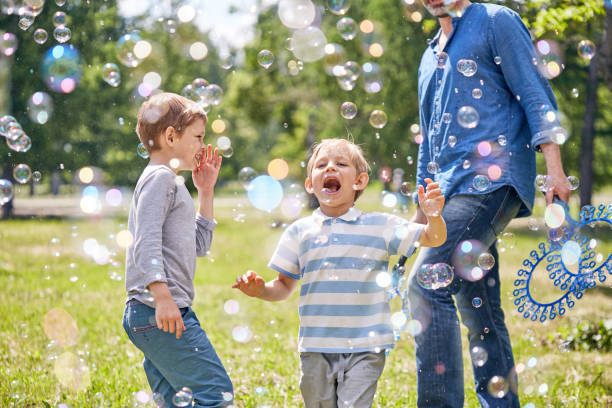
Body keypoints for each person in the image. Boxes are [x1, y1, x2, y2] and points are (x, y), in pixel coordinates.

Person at [410, 1, 570, 407]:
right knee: (479, 309)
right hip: (448, 193)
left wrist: (555, 169)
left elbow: (535, 94)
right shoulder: (429, 56)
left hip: (491, 181)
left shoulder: (496, 21)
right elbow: (428, 140)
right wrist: (419, 215)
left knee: (427, 288)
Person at [233, 138, 447, 408]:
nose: (330, 168)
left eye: (340, 164)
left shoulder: (380, 226)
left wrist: (434, 216)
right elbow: (283, 286)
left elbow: (433, 238)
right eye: (321, 165)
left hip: (366, 346)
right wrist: (260, 290)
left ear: (359, 181)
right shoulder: (299, 231)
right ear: (310, 184)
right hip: (315, 346)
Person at [122, 93, 233, 407]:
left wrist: (206, 192)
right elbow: (144, 243)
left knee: (174, 402)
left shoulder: (173, 182)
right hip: (158, 310)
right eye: (198, 137)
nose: (201, 145)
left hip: (157, 311)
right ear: (171, 136)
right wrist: (162, 296)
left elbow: (200, 245)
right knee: (216, 393)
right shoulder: (160, 179)